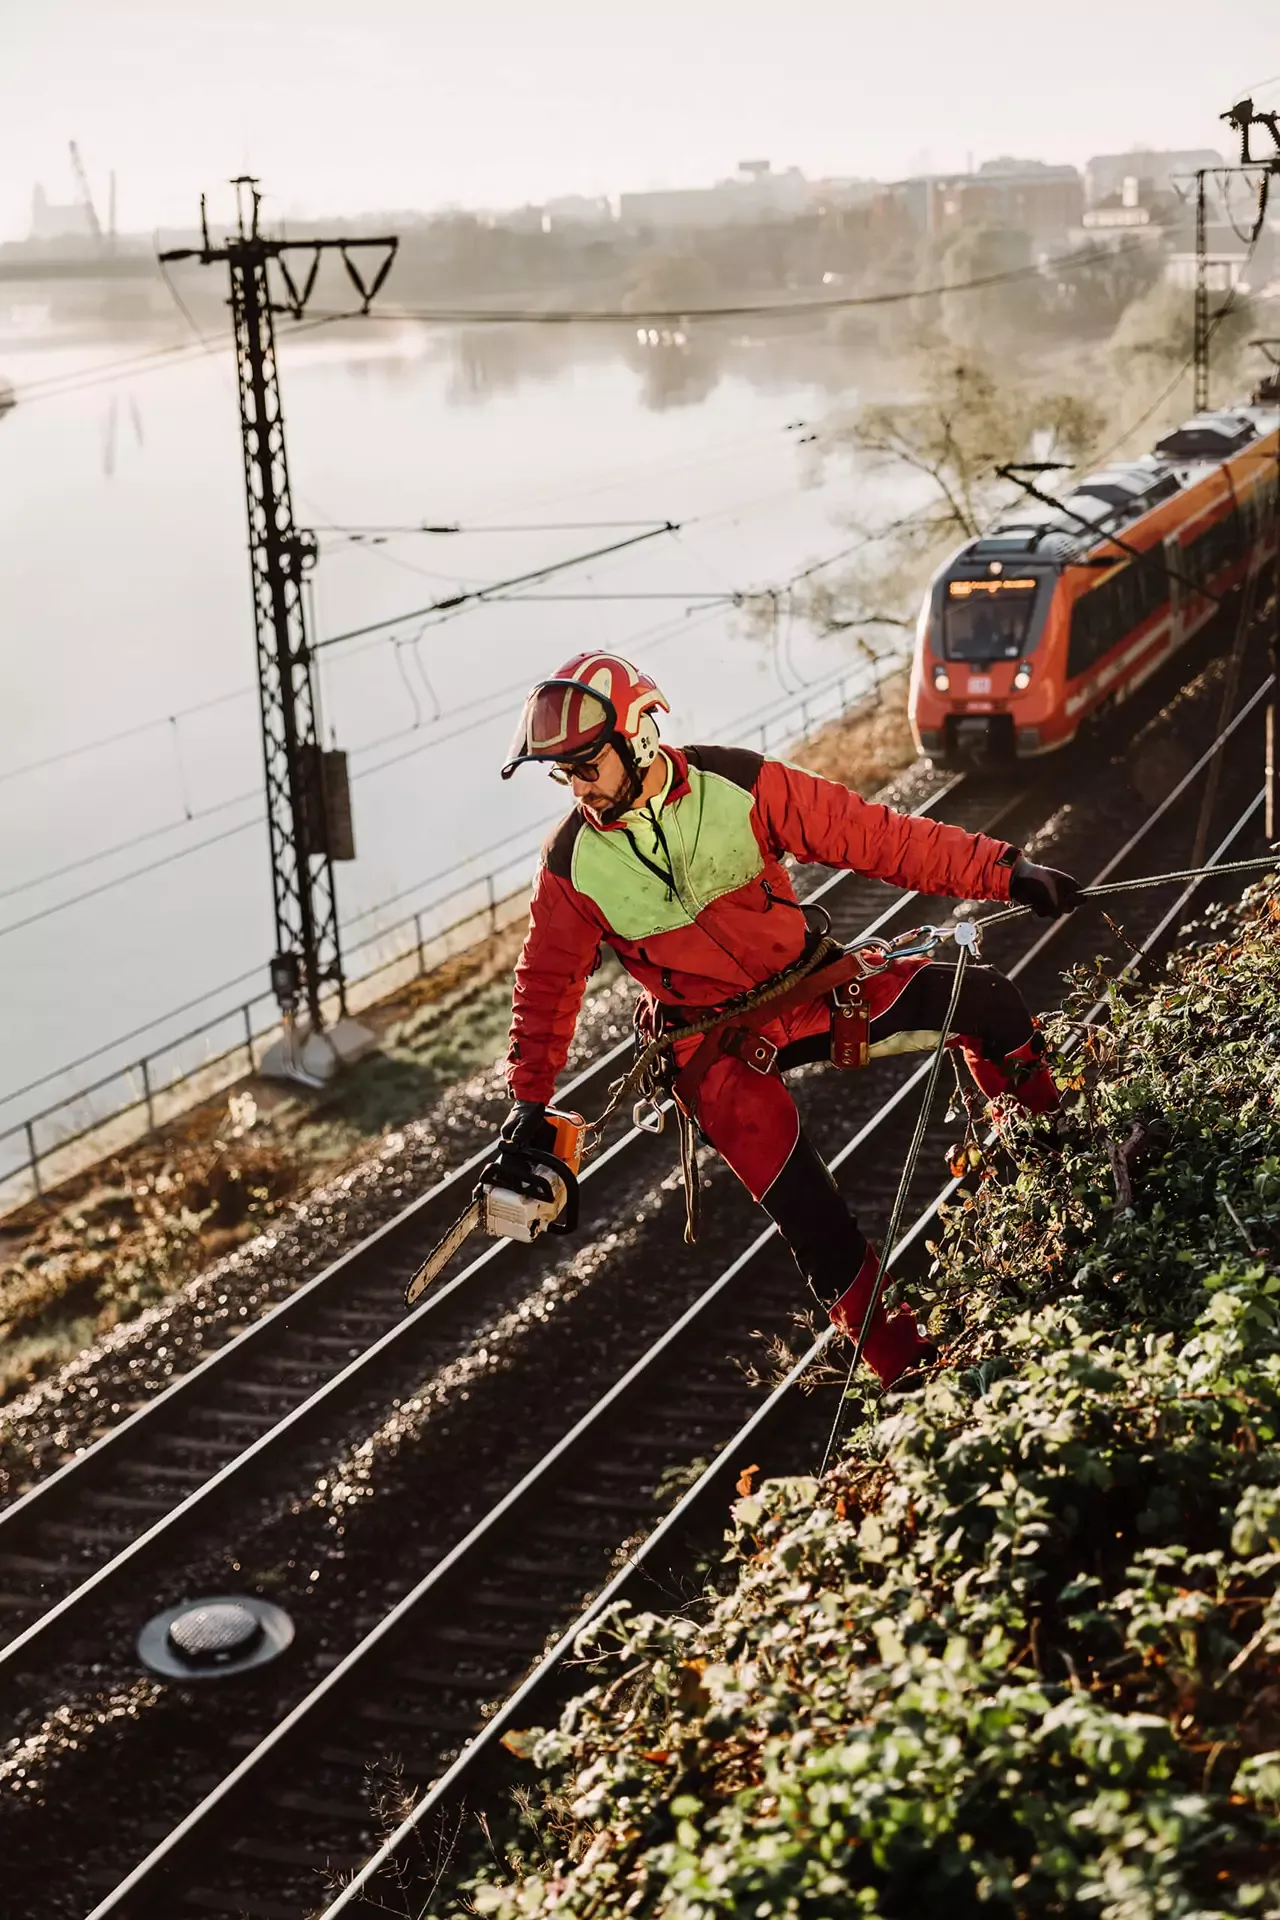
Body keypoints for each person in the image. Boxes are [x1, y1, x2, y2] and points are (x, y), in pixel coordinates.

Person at [497, 652, 1082, 1391]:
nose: (579, 788)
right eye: (565, 776)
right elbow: (547, 982)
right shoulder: (570, 865)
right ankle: (902, 1367)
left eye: (587, 766)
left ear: (636, 738)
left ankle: (1057, 1162)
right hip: (713, 1048)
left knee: (987, 1001)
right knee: (809, 1211)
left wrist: (1007, 872)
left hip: (810, 989)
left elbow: (879, 836)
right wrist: (528, 1099)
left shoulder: (739, 784)